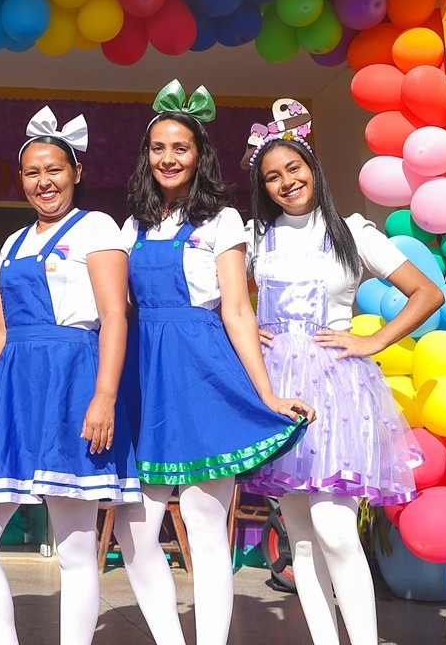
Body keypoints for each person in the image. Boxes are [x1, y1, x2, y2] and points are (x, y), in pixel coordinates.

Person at [113, 82, 313, 645]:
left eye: (180, 148)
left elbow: (237, 310)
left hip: (203, 374)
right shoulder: (130, 226)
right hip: (145, 380)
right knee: (134, 532)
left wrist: (267, 395)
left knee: (204, 526)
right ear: (146, 156)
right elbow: (117, 310)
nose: (168, 158)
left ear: (199, 155)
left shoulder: (222, 221)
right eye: (158, 148)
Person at [242, 102, 445, 645]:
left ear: (313, 166)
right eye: (272, 177)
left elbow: (427, 293)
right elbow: (225, 303)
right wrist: (246, 329)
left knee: (334, 529)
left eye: (294, 168)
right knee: (302, 540)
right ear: (263, 186)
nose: (286, 182)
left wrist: (373, 340)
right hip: (277, 392)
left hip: (337, 389)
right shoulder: (255, 237)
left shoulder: (353, 231)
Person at [0, 107, 138, 645]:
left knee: (75, 548)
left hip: (73, 384)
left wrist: (104, 397)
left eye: (55, 169)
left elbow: (115, 316)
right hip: (17, 394)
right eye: (33, 172)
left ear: (77, 171)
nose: (44, 181)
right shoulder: (12, 243)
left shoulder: (97, 227)